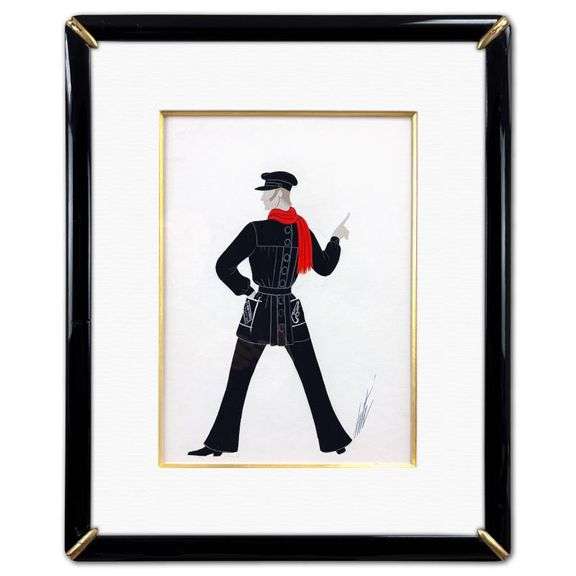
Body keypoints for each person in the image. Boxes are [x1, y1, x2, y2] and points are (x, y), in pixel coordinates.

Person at [188, 171, 352, 456]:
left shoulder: (257, 230)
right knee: (308, 378)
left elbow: (223, 266)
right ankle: (335, 442)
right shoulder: (301, 231)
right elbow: (325, 267)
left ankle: (218, 445)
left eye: (266, 193)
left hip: (261, 312)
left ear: (277, 194)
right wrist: (335, 240)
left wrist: (247, 290)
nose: (262, 199)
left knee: (242, 379)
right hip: (289, 312)